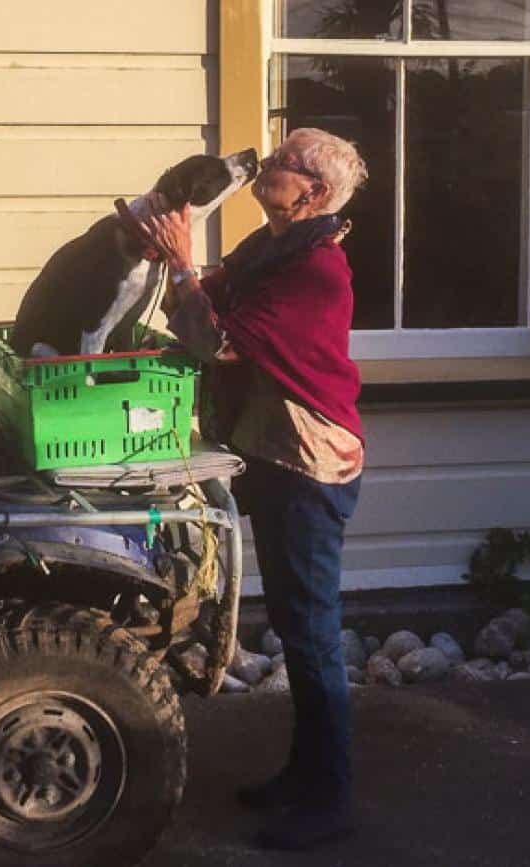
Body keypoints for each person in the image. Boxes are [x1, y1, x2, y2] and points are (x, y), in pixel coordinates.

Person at [141, 128, 368, 851]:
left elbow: (220, 340)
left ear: (315, 193)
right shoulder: (273, 247)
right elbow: (214, 294)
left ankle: (328, 798)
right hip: (271, 454)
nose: (267, 167)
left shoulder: (317, 269)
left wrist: (180, 265)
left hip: (309, 464)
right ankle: (304, 774)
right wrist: (175, 265)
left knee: (312, 636)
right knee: (298, 631)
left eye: (284, 164)